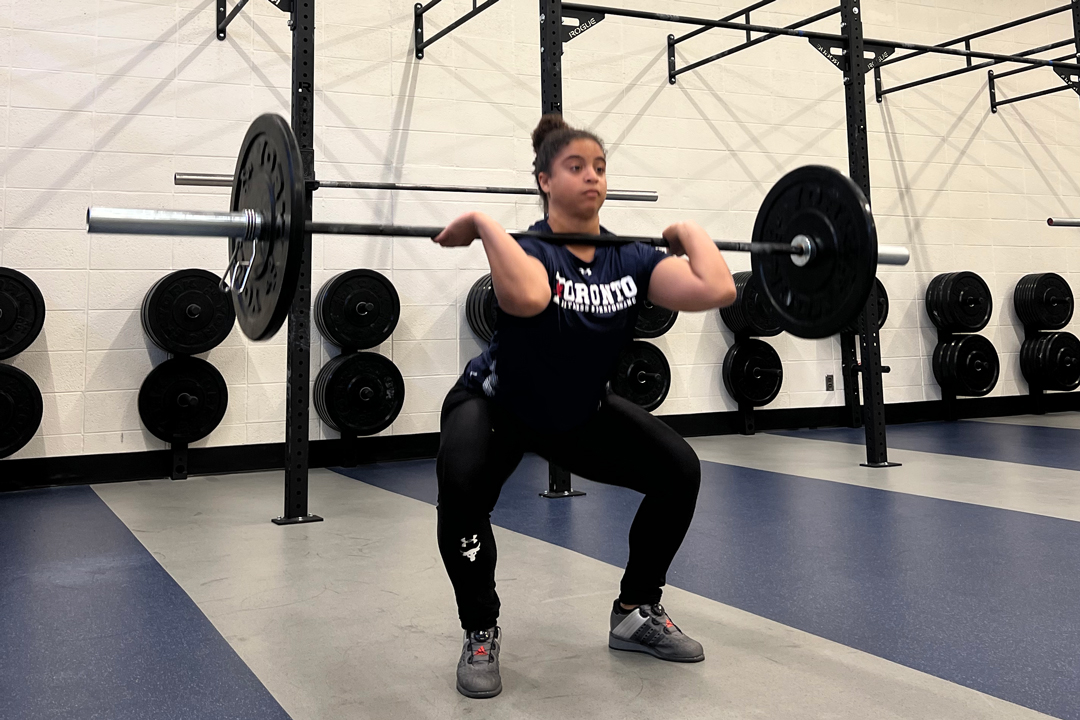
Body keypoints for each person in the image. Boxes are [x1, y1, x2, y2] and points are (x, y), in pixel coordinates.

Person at [432, 115, 737, 699]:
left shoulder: (631, 259)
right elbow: (524, 298)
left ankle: (635, 610)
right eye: (576, 167)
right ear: (544, 179)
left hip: (575, 412)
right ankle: (480, 629)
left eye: (599, 167)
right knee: (462, 492)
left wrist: (689, 231)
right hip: (497, 404)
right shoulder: (528, 250)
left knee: (679, 470)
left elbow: (716, 291)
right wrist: (481, 224)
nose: (592, 177)